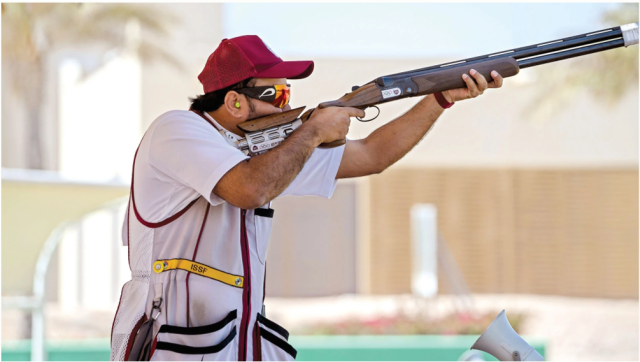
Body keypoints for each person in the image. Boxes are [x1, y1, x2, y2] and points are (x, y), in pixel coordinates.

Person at [110, 35, 503, 361]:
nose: (289, 105)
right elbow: (250, 189)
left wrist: (439, 100)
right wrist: (313, 131)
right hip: (173, 340)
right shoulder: (176, 129)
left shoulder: (263, 153)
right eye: (279, 95)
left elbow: (371, 155)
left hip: (234, 344)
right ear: (234, 102)